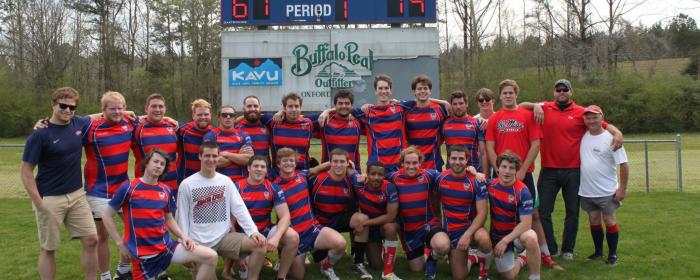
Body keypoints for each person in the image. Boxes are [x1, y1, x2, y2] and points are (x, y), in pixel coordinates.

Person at [520, 79, 624, 260]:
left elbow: (604, 124)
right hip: (549, 170)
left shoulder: (582, 113)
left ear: (571, 92)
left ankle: (568, 249)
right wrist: (535, 105)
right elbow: (520, 105)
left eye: (564, 89)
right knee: (543, 211)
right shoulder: (545, 108)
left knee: (572, 212)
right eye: (558, 90)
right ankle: (551, 249)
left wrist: (618, 133)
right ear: (554, 93)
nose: (561, 92)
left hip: (573, 171)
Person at [101, 149, 218, 280]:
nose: (158, 166)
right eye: (155, 161)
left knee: (211, 257)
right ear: (146, 163)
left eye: (162, 164)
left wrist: (183, 237)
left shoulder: (165, 190)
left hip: (166, 248)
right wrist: (120, 244)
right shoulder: (129, 188)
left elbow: (169, 219)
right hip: (143, 257)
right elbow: (106, 215)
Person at [20, 86, 98, 280]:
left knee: (91, 240)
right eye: (63, 106)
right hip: (50, 198)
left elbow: (98, 115)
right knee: (49, 248)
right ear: (53, 105)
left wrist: (129, 113)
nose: (68, 111)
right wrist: (39, 202)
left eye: (73, 107)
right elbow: (26, 171)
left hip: (77, 195)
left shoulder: (77, 123)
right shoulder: (40, 134)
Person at [485, 79, 563, 271]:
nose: (508, 96)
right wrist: (498, 169)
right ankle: (501, 248)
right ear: (500, 96)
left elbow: (536, 144)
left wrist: (521, 171)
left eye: (511, 92)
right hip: (502, 174)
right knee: (499, 211)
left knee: (534, 215)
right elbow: (489, 145)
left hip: (524, 173)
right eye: (505, 93)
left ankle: (545, 256)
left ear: (516, 94)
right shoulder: (495, 118)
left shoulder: (527, 115)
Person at [176, 141, 268, 280]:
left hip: (224, 238)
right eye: (207, 155)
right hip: (199, 242)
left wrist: (253, 231)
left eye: (214, 156)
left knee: (260, 245)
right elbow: (181, 217)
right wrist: (185, 245)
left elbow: (239, 208)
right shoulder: (187, 184)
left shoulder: (226, 181)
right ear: (200, 156)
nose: (211, 159)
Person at [84, 91, 137, 280]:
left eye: (120, 107)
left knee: (134, 228)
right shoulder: (91, 127)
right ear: (103, 110)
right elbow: (71, 123)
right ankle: (105, 276)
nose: (117, 111)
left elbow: (151, 117)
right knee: (103, 235)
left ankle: (123, 271)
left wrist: (170, 119)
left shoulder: (129, 122)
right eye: (112, 108)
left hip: (123, 188)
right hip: (98, 191)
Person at [273, 148, 347, 280]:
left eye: (291, 160)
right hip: (295, 236)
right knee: (298, 276)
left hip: (312, 229)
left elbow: (318, 168)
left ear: (295, 163)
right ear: (278, 164)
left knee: (340, 244)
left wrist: (346, 163)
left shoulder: (302, 176)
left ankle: (326, 266)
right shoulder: (274, 186)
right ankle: (286, 260)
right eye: (285, 161)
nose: (289, 163)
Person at [318, 74, 414, 174]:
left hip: (398, 166)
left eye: (386, 88)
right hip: (376, 167)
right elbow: (345, 109)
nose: (383, 91)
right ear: (375, 91)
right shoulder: (367, 112)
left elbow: (424, 101)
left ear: (390, 91)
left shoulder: (401, 108)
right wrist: (327, 111)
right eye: (380, 88)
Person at [387, 146, 451, 279]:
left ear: (420, 163)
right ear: (402, 163)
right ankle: (426, 251)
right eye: (408, 163)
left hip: (429, 225)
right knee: (417, 269)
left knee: (443, 246)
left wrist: (470, 170)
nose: (411, 166)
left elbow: (450, 176)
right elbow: (376, 179)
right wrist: (363, 177)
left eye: (415, 163)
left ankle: (432, 257)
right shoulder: (393, 177)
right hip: (410, 231)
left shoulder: (428, 175)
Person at [579, 105, 628, 266]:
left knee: (609, 220)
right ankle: (598, 252)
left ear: (602, 118)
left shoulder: (611, 138)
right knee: (593, 220)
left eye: (595, 117)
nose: (591, 120)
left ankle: (612, 254)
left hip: (607, 190)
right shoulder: (582, 135)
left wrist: (622, 189)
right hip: (587, 190)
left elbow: (623, 164)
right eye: (588, 117)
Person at [236, 155, 299, 280]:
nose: (259, 169)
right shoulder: (237, 187)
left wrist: (276, 238)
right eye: (255, 166)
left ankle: (281, 277)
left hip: (264, 231)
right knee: (247, 276)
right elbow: (229, 223)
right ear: (248, 168)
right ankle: (245, 259)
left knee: (293, 237)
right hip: (243, 236)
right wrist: (238, 257)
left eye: (262, 167)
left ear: (266, 170)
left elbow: (285, 216)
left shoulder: (272, 187)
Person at [309, 148, 370, 279]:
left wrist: (363, 177)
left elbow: (363, 189)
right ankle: (323, 259)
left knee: (363, 220)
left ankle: (358, 262)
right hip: (319, 225)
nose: (338, 165)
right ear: (329, 163)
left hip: (337, 219)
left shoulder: (350, 181)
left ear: (348, 163)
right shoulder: (317, 180)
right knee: (320, 264)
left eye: (342, 162)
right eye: (335, 161)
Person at [436, 145, 492, 280]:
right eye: (454, 158)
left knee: (484, 240)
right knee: (459, 276)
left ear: (467, 160)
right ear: (448, 159)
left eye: (461, 158)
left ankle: (484, 274)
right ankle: (472, 257)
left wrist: (467, 234)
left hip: (471, 230)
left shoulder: (476, 182)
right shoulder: (440, 178)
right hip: (452, 232)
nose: (457, 162)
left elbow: (483, 214)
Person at [488, 152, 541, 280]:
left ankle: (535, 276)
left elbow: (526, 224)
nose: (507, 171)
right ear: (498, 168)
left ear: (516, 170)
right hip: (498, 235)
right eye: (504, 167)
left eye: (511, 168)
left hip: (517, 235)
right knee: (508, 276)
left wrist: (506, 241)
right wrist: (472, 170)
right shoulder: (490, 185)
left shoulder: (523, 191)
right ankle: (523, 258)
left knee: (531, 236)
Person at [350, 162, 402, 280]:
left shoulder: (389, 188)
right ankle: (382, 250)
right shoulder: (359, 183)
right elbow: (348, 169)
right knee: (376, 265)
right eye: (373, 174)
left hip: (383, 225)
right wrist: (350, 164)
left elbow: (390, 216)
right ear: (367, 174)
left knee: (391, 227)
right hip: (370, 230)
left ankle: (388, 272)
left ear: (384, 176)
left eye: (380, 174)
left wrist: (364, 223)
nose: (376, 177)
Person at [132, 93, 179, 196]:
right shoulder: (136, 127)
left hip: (172, 188)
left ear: (165, 109)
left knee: (172, 213)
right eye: (153, 106)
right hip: (146, 188)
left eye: (161, 106)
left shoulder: (173, 126)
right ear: (146, 109)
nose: (157, 110)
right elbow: (116, 115)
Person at [307, 89, 363, 172]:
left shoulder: (358, 120)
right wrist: (282, 112)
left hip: (353, 172)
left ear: (352, 105)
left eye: (347, 103)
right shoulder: (325, 118)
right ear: (335, 105)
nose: (344, 106)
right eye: (340, 103)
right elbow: (300, 119)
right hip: (329, 173)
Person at [404, 75, 450, 171]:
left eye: (425, 88)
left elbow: (458, 115)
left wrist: (481, 119)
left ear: (430, 91)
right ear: (414, 92)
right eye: (419, 89)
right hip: (413, 164)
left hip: (434, 163)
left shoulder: (440, 109)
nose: (422, 91)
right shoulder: (406, 110)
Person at [203, 105, 254, 182]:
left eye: (231, 115)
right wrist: (238, 154)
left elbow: (248, 160)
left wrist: (227, 154)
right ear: (219, 118)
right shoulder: (210, 136)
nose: (228, 117)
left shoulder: (243, 135)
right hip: (218, 183)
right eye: (224, 115)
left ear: (234, 118)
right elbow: (213, 162)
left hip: (241, 183)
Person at [442, 90, 486, 172]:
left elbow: (483, 153)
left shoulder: (477, 123)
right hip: (451, 173)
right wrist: (443, 102)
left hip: (473, 172)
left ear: (466, 104)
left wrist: (485, 175)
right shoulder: (444, 123)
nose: (458, 107)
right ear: (451, 106)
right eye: (455, 104)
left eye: (461, 103)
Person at [269, 93, 315, 171]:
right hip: (278, 173)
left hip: (302, 172)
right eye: (290, 106)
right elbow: (253, 114)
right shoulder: (274, 121)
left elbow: (337, 111)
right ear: (284, 108)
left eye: (296, 106)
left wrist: (328, 111)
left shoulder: (308, 123)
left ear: (300, 108)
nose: (294, 109)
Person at [177, 99, 213, 183]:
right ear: (193, 115)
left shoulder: (214, 133)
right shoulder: (183, 130)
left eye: (206, 114)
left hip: (207, 182)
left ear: (210, 115)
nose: (203, 117)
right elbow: (167, 122)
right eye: (199, 115)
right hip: (185, 181)